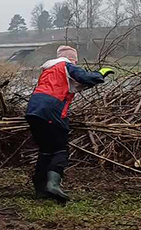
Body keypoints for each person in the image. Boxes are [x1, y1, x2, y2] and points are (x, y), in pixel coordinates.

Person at [25, 45, 112, 202]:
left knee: (45, 150)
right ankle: (53, 186)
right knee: (60, 149)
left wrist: (92, 80)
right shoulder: (67, 65)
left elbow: (73, 85)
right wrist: (101, 74)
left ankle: (40, 189)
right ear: (73, 59)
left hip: (33, 110)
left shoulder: (48, 70)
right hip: (52, 109)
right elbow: (86, 78)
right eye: (76, 61)